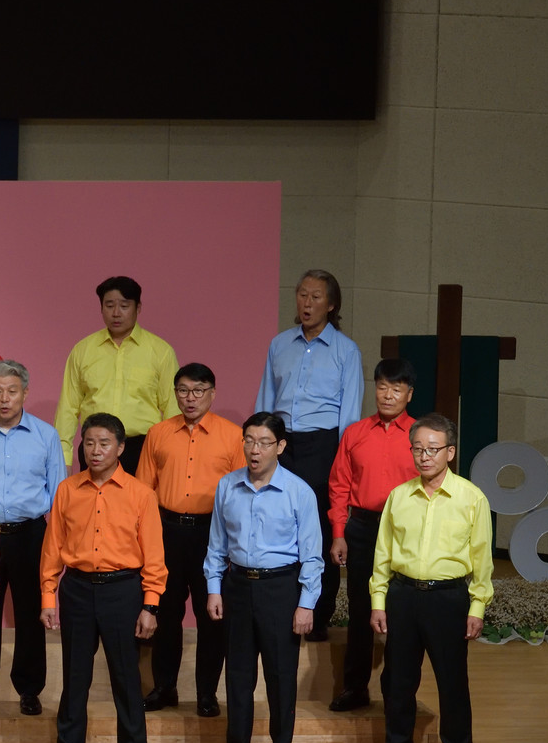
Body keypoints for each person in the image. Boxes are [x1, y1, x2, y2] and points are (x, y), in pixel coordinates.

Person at [39, 412, 166, 743]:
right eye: (89, 443)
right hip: (76, 590)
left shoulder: (141, 494)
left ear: (121, 447)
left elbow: (154, 556)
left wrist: (150, 605)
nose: (95, 450)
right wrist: (48, 596)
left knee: (127, 683)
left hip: (122, 591)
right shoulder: (67, 490)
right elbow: (52, 548)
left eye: (104, 443)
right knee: (74, 682)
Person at [368, 414, 491, 743]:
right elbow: (383, 554)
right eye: (418, 448)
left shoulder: (472, 498)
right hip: (403, 597)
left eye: (433, 449)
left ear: (450, 452)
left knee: (452, 687)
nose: (424, 456)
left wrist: (477, 607)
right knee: (397, 685)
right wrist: (378, 600)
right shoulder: (399, 497)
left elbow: (483, 559)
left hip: (448, 599)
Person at [201, 413, 324, 743]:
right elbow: (217, 545)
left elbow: (313, 556)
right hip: (237, 587)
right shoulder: (228, 485)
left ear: (280, 446)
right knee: (237, 680)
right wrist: (214, 588)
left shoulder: (299, 492)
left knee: (281, 681)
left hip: (281, 590)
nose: (255, 450)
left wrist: (306, 604)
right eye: (249, 441)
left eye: (264, 442)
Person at [256, 270, 362, 643]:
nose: (307, 303)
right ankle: (279, 607)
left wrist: (342, 459)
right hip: (283, 442)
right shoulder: (279, 344)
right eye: (302, 294)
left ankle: (318, 614)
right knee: (278, 525)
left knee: (318, 530)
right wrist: (261, 444)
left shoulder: (346, 350)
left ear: (331, 305)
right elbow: (266, 400)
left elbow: (350, 412)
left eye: (316, 297)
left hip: (323, 445)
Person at [134, 363, 244, 717]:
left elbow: (240, 494)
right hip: (166, 530)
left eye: (198, 390)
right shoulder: (158, 433)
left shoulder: (233, 436)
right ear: (175, 393)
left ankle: (207, 694)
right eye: (183, 390)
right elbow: (144, 490)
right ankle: (164, 687)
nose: (190, 398)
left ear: (213, 393)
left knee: (211, 615)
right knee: (166, 612)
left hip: (212, 533)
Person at [0, 360, 65, 716]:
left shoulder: (46, 436)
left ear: (25, 393)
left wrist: (56, 542)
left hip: (32, 534)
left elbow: (59, 493)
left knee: (31, 612)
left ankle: (30, 689)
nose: (5, 399)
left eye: (12, 391)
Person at [326, 357, 418, 711]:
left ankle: (396, 690)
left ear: (409, 394)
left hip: (406, 529)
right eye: (382, 387)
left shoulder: (420, 436)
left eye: (396, 389)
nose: (388, 395)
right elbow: (339, 486)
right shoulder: (355, 433)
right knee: (361, 607)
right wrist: (339, 532)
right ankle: (355, 687)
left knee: (401, 609)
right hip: (362, 527)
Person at [55, 276, 177, 474]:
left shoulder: (161, 352)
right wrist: (63, 456)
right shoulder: (83, 350)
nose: (116, 313)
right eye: (109, 305)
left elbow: (172, 408)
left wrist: (170, 454)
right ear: (101, 308)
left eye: (124, 306)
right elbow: (68, 408)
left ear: (138, 308)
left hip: (142, 449)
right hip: (95, 447)